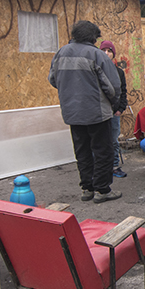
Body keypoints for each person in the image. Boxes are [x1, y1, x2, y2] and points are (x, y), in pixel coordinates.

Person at [48, 20, 122, 204]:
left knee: (82, 151)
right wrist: (113, 103)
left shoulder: (61, 53)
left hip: (73, 113)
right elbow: (113, 86)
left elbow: (52, 79)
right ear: (92, 37)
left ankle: (87, 188)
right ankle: (102, 190)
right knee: (103, 151)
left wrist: (70, 90)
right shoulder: (97, 55)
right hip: (97, 113)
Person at [99, 40, 128, 179]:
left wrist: (120, 108)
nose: (106, 54)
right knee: (98, 141)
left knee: (113, 141)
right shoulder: (96, 69)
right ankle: (100, 169)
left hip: (113, 112)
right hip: (98, 112)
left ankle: (114, 166)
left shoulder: (119, 72)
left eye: (109, 51)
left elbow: (123, 91)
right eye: (104, 50)